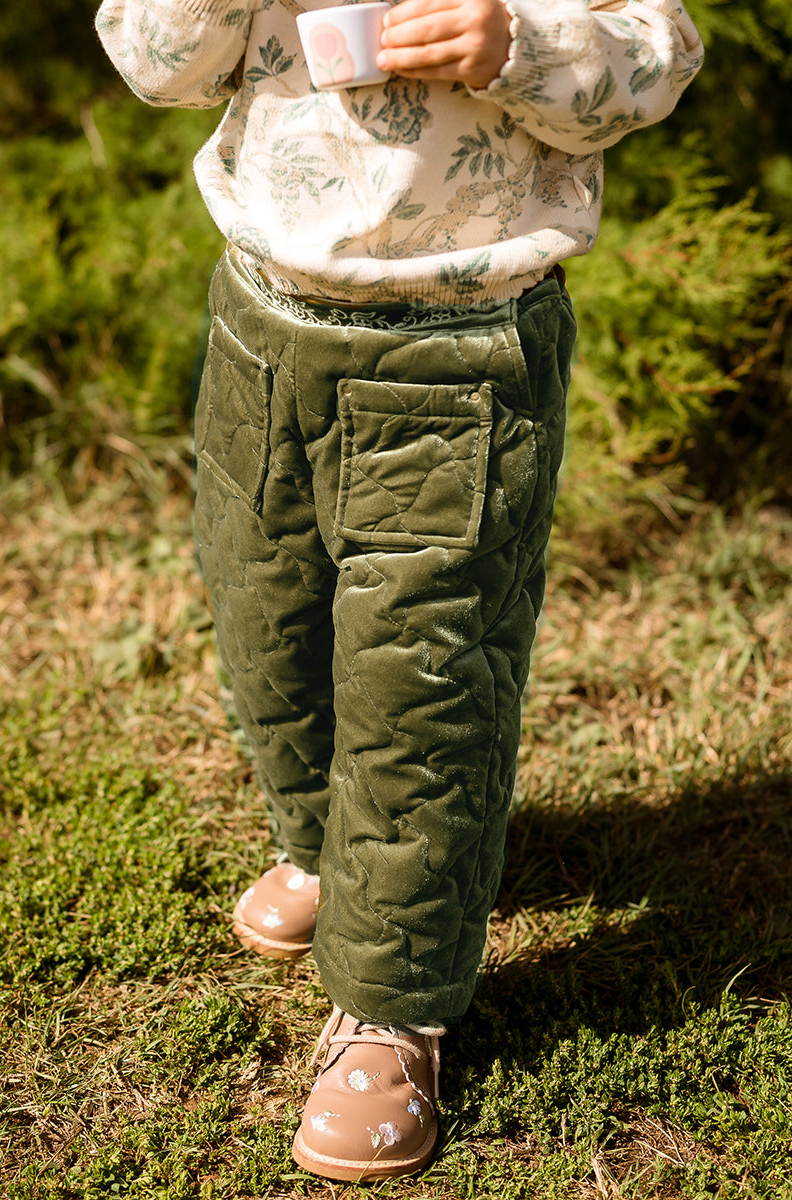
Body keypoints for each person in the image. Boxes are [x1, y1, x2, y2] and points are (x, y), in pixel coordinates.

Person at [96, 0, 703, 1181]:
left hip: (454, 350)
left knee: (419, 673)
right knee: (266, 615)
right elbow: (157, 65)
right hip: (264, 322)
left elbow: (655, 57)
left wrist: (515, 46)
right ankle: (330, 852)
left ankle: (391, 1007)